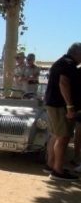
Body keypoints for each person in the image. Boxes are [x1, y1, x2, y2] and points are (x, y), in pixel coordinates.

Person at [43, 42, 81, 181]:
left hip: (52, 104)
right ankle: (57, 171)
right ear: (78, 53)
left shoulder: (60, 62)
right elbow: (63, 83)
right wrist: (70, 106)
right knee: (63, 137)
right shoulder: (69, 64)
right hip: (61, 106)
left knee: (55, 135)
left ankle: (51, 165)